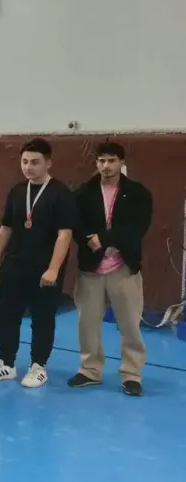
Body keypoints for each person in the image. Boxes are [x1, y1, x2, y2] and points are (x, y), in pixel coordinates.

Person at [0, 138, 76, 388]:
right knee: (7, 316)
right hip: (14, 265)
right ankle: (7, 364)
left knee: (42, 318)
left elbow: (64, 234)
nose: (28, 167)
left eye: (35, 162)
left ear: (48, 163)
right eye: (25, 162)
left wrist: (54, 269)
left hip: (44, 269)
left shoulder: (61, 193)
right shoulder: (17, 191)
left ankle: (38, 366)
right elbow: (6, 228)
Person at [69, 142, 152, 396]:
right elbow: (76, 225)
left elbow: (137, 228)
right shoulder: (83, 193)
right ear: (96, 163)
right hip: (91, 269)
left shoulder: (137, 193)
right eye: (102, 161)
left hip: (124, 268)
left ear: (121, 162)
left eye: (112, 161)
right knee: (88, 323)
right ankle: (90, 370)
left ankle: (132, 374)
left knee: (129, 325)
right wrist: (89, 241)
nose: (106, 166)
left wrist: (104, 239)